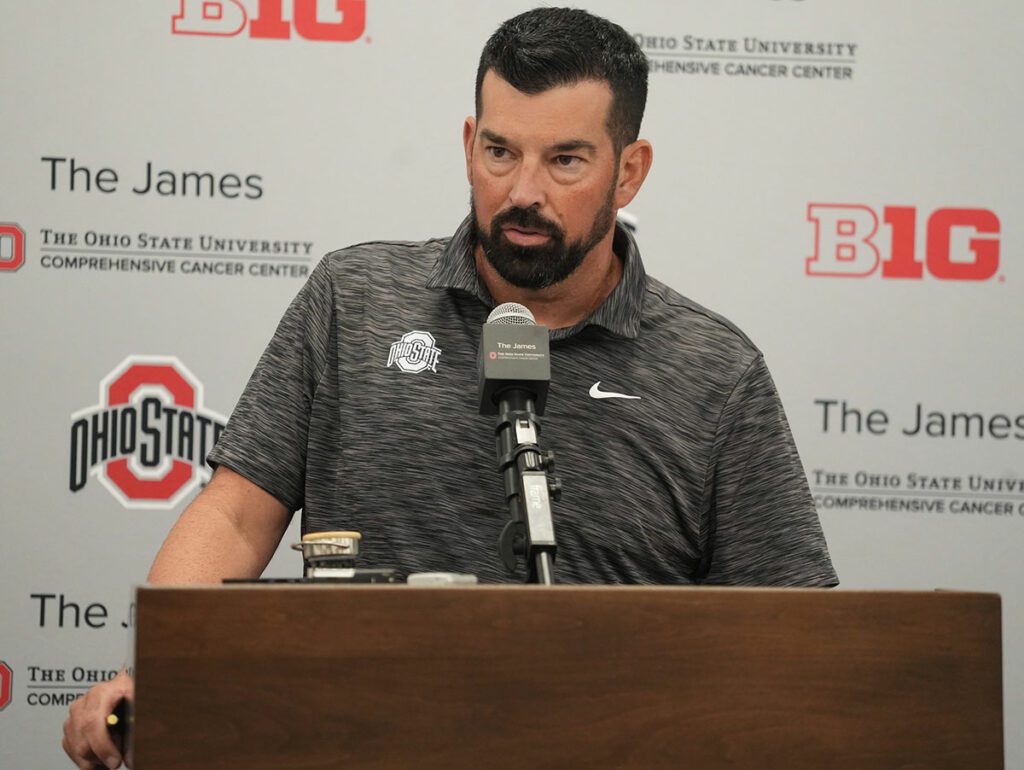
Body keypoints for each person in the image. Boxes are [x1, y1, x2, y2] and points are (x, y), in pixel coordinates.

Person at [63, 7, 836, 768]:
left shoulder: (715, 371)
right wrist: (162, 672)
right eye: (500, 151)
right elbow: (233, 515)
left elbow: (791, 636)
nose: (523, 191)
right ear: (469, 144)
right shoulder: (354, 298)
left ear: (628, 171)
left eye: (566, 160)